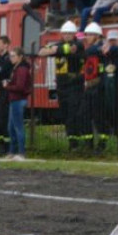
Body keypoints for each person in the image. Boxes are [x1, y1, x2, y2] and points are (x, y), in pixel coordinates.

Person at [38, 21, 88, 151]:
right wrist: (53, 49)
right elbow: (41, 52)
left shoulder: (79, 44)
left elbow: (70, 49)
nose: (66, 35)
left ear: (74, 34)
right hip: (61, 86)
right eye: (65, 33)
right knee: (65, 114)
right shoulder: (59, 44)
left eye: (69, 33)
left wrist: (53, 50)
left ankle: (76, 144)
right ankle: (71, 141)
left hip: (75, 85)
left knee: (74, 114)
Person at [81, 22, 109, 152]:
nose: (87, 37)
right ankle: (88, 143)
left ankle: (102, 143)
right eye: (86, 34)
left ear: (98, 36)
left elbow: (91, 51)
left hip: (99, 86)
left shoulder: (97, 48)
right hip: (90, 86)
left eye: (90, 34)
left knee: (98, 116)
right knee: (85, 115)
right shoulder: (94, 49)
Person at [4, 48, 32, 161]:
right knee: (11, 127)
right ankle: (12, 151)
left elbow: (20, 87)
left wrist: (7, 86)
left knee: (18, 127)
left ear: (20, 57)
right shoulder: (16, 68)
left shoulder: (21, 69)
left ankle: (21, 152)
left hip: (18, 100)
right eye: (10, 56)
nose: (11, 58)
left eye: (13, 56)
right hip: (14, 100)